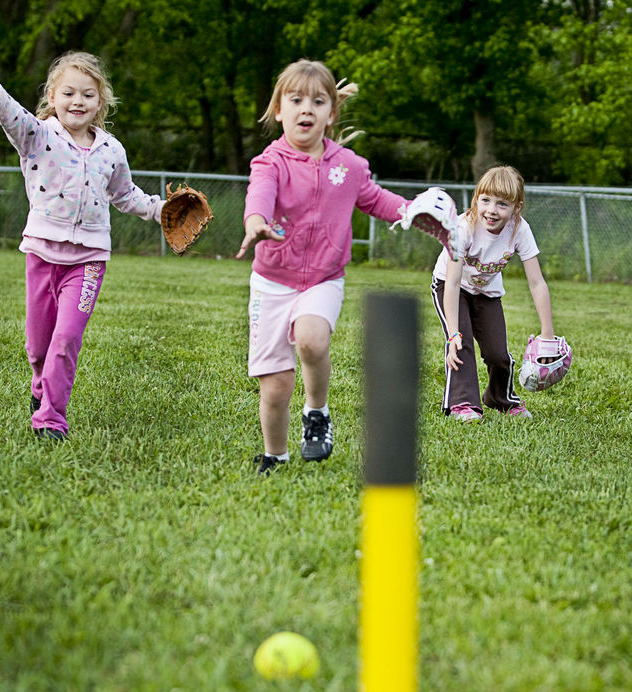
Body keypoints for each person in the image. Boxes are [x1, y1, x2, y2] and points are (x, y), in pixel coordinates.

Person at [237, 59, 428, 473]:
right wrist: (256, 224)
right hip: (272, 282)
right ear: (278, 110)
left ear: (331, 113)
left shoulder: (350, 167)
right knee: (274, 386)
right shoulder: (270, 162)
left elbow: (377, 200)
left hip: (323, 278)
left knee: (311, 339)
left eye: (318, 101)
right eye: (296, 100)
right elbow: (260, 197)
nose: (307, 109)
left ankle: (317, 412)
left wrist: (415, 211)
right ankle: (275, 455)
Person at [0, 53, 163, 441]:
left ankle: (51, 418)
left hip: (88, 260)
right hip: (42, 254)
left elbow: (126, 195)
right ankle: (40, 388)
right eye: (68, 92)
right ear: (52, 97)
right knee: (39, 347)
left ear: (100, 102)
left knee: (66, 339)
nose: (78, 101)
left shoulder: (111, 150)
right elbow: (12, 116)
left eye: (88, 94)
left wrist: (160, 210)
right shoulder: (38, 136)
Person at [431, 165, 556, 422]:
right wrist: (453, 333)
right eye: (485, 200)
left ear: (516, 209)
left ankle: (501, 399)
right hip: (450, 285)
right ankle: (462, 404)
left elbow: (537, 283)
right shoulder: (463, 228)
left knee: (499, 354)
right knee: (461, 343)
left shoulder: (519, 230)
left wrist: (548, 334)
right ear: (476, 199)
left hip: (487, 291)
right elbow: (453, 283)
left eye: (502, 204)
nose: (491, 210)